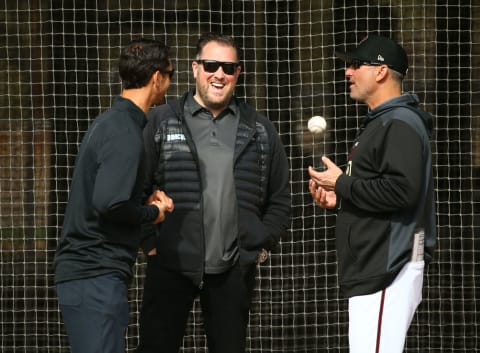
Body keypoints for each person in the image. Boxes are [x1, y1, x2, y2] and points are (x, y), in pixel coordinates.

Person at [137, 32, 291, 353]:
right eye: (210, 65)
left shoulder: (260, 129)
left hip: (232, 271)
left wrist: (260, 243)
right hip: (170, 264)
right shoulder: (161, 121)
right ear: (195, 68)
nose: (219, 74)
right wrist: (150, 243)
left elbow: (279, 198)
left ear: (238, 73)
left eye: (227, 67)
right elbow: (137, 186)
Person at [308, 34, 436, 353]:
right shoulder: (383, 121)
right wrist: (342, 198)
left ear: (380, 71)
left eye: (355, 64)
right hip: (375, 266)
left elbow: (401, 191)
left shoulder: (400, 122)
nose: (347, 72)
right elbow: (383, 190)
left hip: (387, 266)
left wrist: (342, 184)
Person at [54, 38, 175, 353]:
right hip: (94, 274)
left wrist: (144, 201)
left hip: (92, 277)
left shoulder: (114, 121)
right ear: (157, 78)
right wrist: (154, 213)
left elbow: (111, 194)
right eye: (170, 75)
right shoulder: (124, 130)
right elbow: (109, 203)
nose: (170, 84)